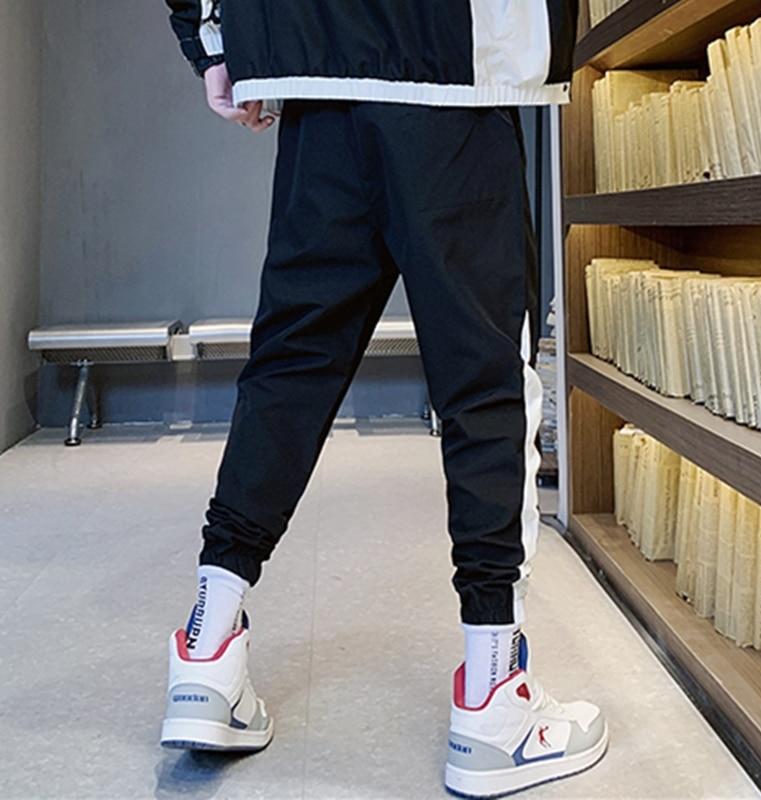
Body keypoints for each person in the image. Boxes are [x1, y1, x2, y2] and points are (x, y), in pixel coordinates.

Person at [161, 2, 608, 796]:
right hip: (456, 63)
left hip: (314, 62)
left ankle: (206, 648)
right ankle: (493, 697)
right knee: (484, 383)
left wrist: (214, 39)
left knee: (290, 366)